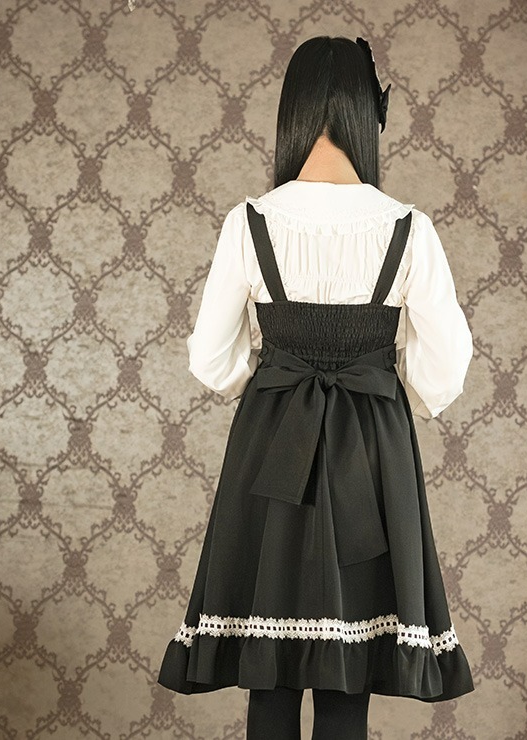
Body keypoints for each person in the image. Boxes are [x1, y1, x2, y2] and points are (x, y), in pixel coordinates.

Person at [156, 35, 476, 739]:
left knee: (269, 674)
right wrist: (395, 384)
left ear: (292, 110)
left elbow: (210, 360)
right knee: (348, 673)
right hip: (372, 448)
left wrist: (271, 378)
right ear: (368, 115)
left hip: (272, 440)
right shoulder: (408, 228)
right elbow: (446, 367)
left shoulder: (249, 222)